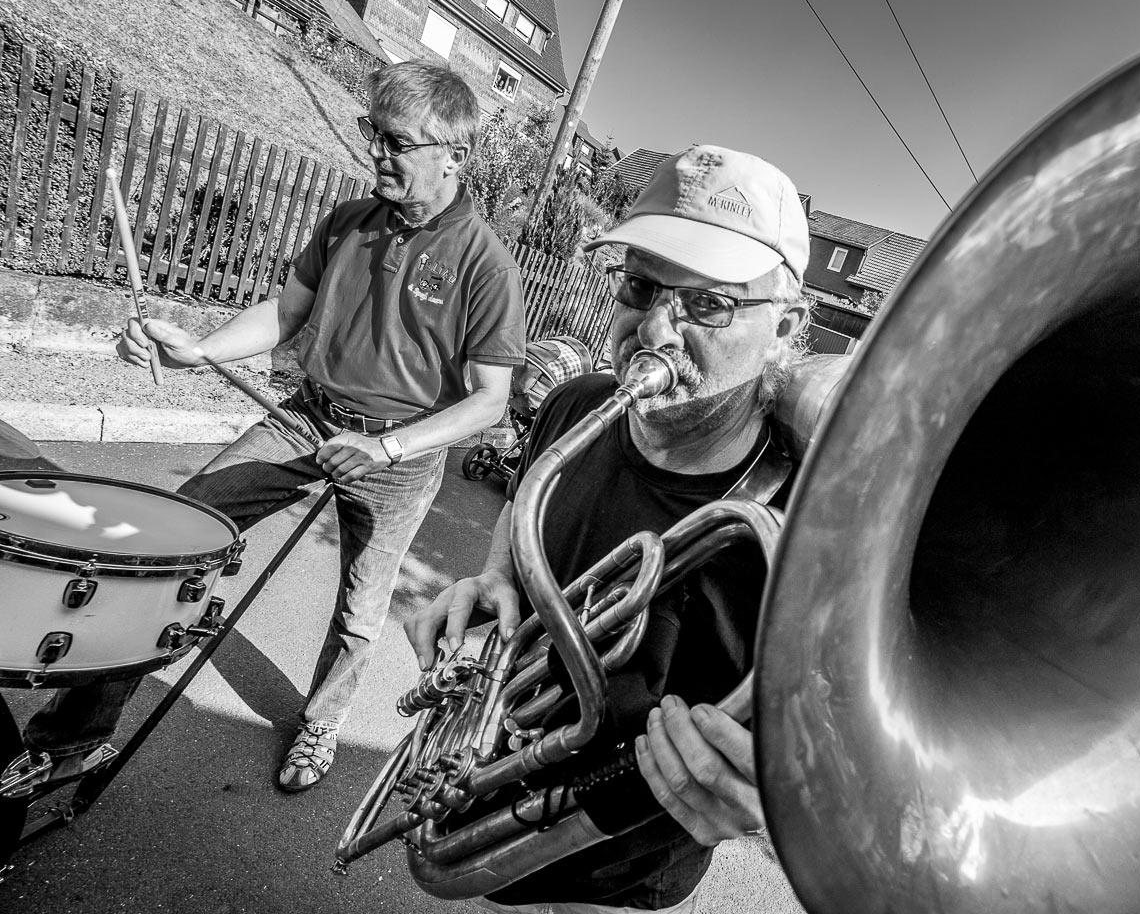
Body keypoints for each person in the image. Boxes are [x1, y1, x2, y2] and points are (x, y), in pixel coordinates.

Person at [23, 60, 526, 794]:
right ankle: (74, 736)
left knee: (360, 609)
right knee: (173, 540)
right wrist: (198, 351)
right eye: (373, 134)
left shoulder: (486, 264)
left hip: (398, 455)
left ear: (454, 154)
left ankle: (321, 721)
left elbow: (488, 403)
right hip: (307, 417)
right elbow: (282, 315)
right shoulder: (349, 222)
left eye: (396, 142)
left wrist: (385, 446)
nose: (376, 153)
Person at [404, 144, 811, 913]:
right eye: (641, 285)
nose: (655, 327)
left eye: (707, 303)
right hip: (492, 799)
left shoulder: (807, 518)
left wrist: (780, 796)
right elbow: (526, 500)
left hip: (622, 863)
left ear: (784, 324)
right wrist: (496, 577)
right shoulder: (579, 401)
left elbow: (834, 732)